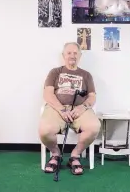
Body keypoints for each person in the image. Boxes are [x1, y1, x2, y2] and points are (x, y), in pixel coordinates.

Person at [39, 42, 101, 175]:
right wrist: (61, 109)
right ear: (63, 55)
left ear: (80, 55)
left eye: (75, 53)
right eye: (69, 53)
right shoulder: (55, 72)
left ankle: (75, 155)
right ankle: (56, 154)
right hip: (56, 108)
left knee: (94, 126)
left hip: (79, 109)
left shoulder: (86, 75)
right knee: (44, 130)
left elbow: (92, 97)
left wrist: (82, 107)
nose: (72, 56)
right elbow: (47, 94)